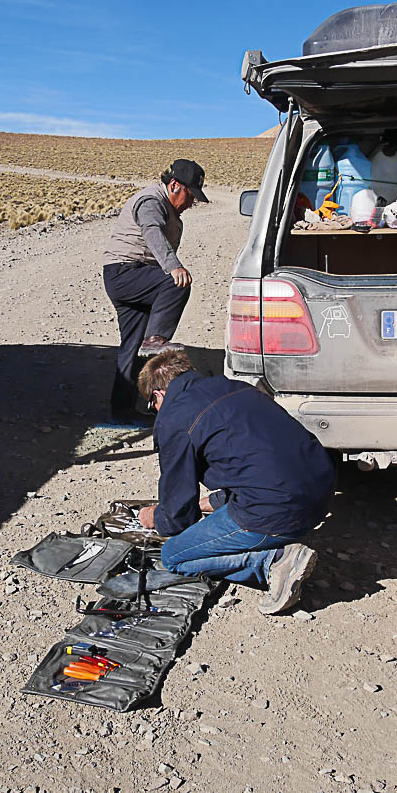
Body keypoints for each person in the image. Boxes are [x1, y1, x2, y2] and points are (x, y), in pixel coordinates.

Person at [135, 351, 336, 614]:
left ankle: (274, 561)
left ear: (158, 395)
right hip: (322, 488)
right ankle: (273, 541)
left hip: (276, 510)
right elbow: (255, 463)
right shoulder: (236, 388)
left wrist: (155, 516)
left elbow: (176, 518)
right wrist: (209, 503)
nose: (156, 413)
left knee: (173, 555)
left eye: (152, 407)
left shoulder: (174, 418)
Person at [102, 159, 207, 418]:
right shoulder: (151, 201)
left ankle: (122, 411)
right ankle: (155, 340)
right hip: (126, 272)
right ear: (174, 185)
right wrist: (174, 267)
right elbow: (151, 232)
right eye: (190, 195)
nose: (191, 203)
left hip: (127, 276)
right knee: (177, 283)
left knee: (132, 345)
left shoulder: (169, 210)